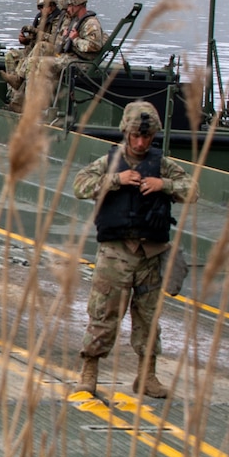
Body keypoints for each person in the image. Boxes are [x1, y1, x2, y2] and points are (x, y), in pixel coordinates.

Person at [72, 100, 194, 399]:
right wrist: (116, 180)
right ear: (125, 133)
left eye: (147, 137)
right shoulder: (109, 163)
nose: (140, 143)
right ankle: (89, 372)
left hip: (150, 255)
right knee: (103, 315)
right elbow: (80, 186)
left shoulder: (162, 165)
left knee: (148, 319)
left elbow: (192, 190)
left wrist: (163, 184)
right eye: (135, 137)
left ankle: (147, 376)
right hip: (116, 253)